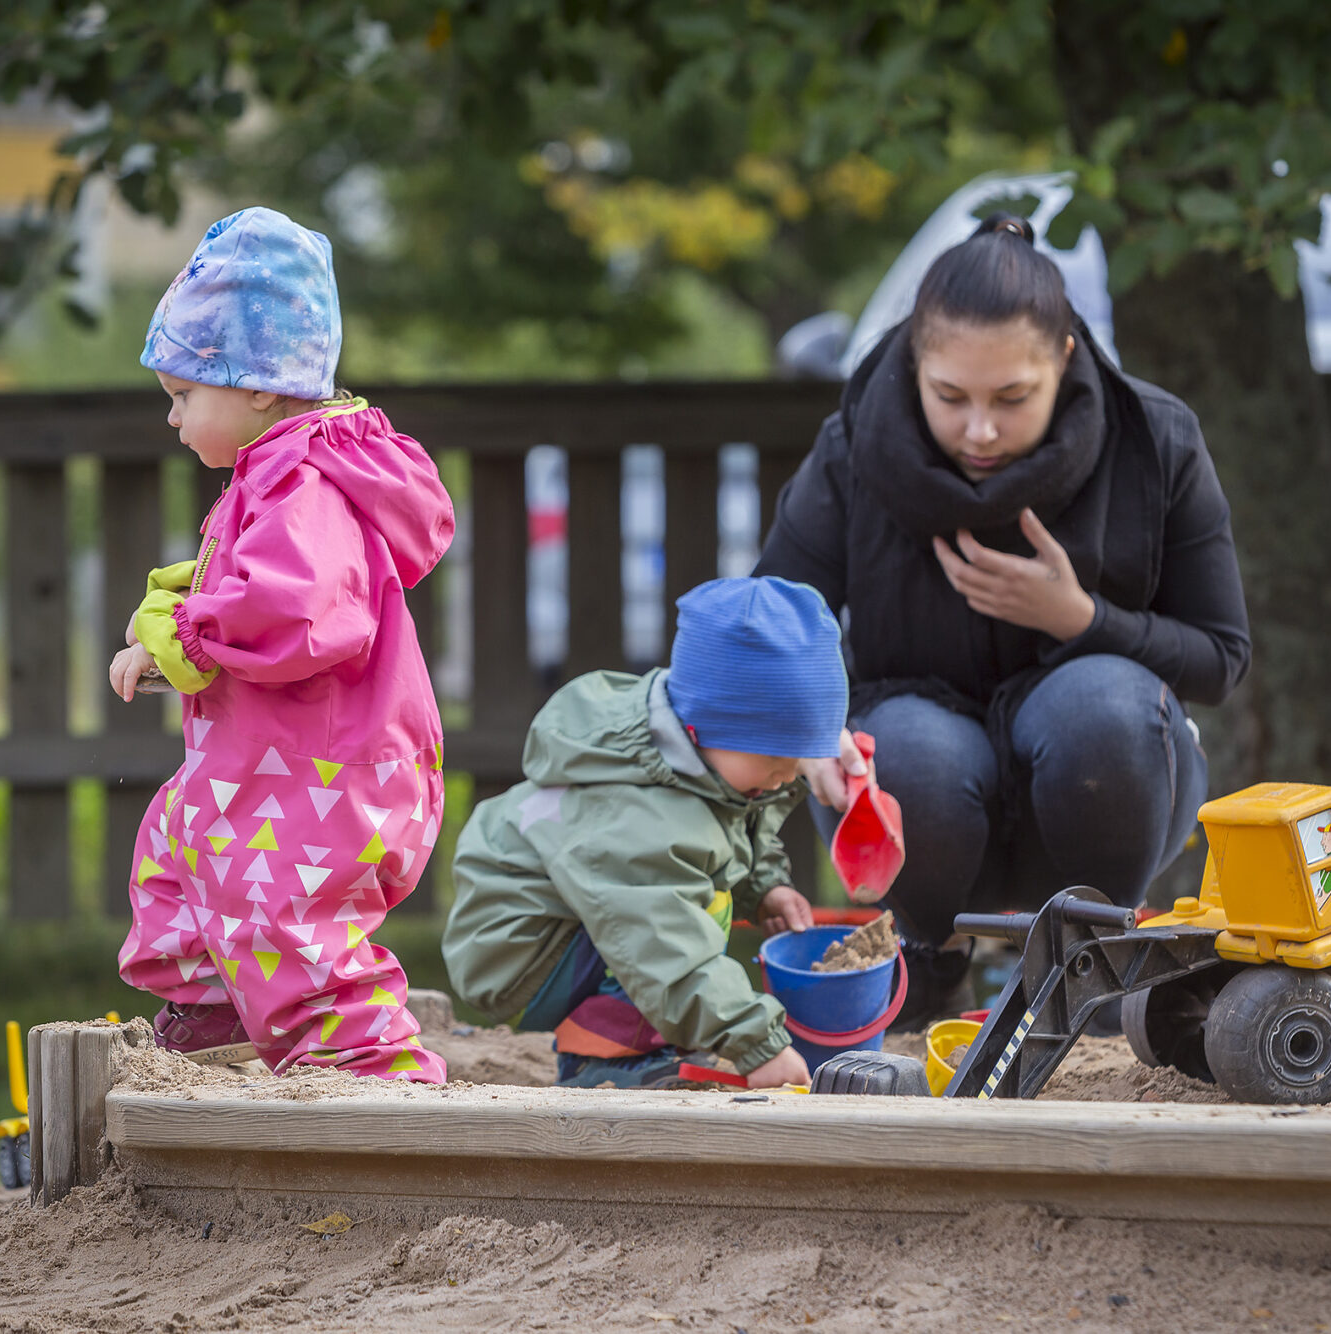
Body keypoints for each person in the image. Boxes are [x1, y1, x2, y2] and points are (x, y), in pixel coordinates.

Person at [754, 214, 1250, 1023]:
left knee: (1103, 707)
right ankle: (927, 965)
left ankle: (1097, 958)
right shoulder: (851, 448)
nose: (979, 431)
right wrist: (815, 730)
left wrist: (1081, 617)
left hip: (1107, 791)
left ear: (1064, 358)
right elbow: (769, 626)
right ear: (916, 360)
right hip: (922, 798)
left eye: (1012, 399)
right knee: (907, 745)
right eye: (950, 396)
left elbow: (1222, 658)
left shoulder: (1155, 438)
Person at [109, 206, 454, 1083]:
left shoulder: (303, 481)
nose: (175, 420)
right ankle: (216, 1011)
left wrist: (182, 635)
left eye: (184, 395)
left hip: (328, 775)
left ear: (257, 386)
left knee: (286, 924)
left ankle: (374, 1079)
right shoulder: (280, 473)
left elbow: (298, 608)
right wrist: (193, 609)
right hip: (270, 764)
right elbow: (257, 583)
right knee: (175, 853)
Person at [443, 577, 844, 1091]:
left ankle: (649, 1037)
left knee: (697, 903)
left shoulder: (690, 759)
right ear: (703, 728)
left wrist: (763, 885)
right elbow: (658, 937)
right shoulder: (639, 810)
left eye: (798, 759)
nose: (788, 775)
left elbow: (728, 821)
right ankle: (600, 1061)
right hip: (518, 949)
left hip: (574, 917)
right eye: (774, 758)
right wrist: (756, 1044)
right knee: (683, 919)